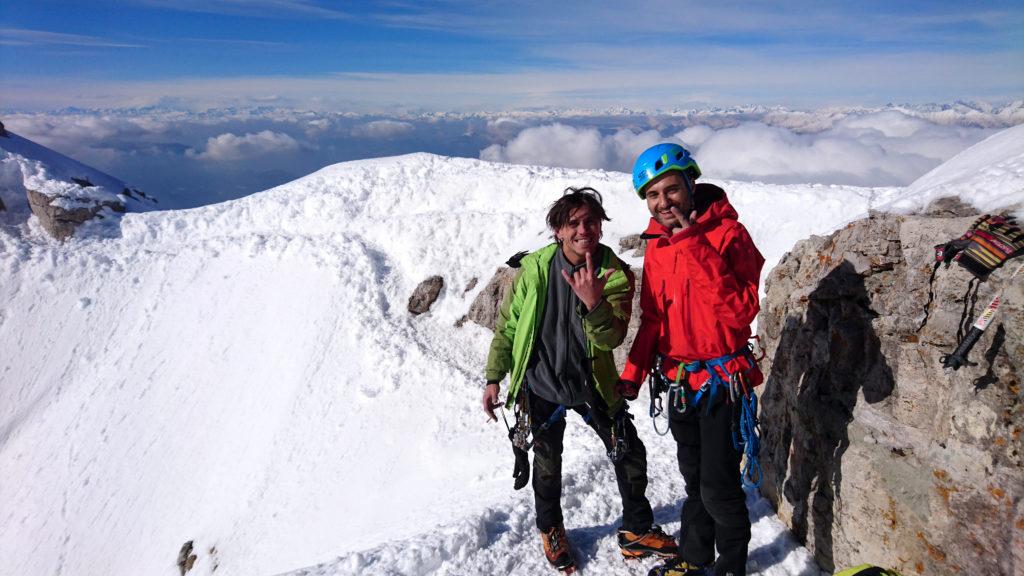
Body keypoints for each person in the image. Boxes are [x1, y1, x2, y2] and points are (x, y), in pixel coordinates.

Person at [482, 187, 677, 573]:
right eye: (573, 223)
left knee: (629, 452)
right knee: (548, 462)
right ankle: (550, 529)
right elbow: (507, 329)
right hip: (540, 383)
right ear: (557, 230)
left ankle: (637, 531)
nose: (583, 229)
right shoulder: (534, 270)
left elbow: (612, 337)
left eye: (590, 221)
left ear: (600, 228)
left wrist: (594, 303)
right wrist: (493, 378)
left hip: (592, 383)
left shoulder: (613, 274)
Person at [617, 144, 765, 576]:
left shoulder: (729, 236)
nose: (663, 202)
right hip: (680, 382)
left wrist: (692, 243)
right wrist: (634, 373)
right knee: (695, 481)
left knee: (720, 488)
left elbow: (740, 312)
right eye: (653, 195)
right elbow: (653, 319)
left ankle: (732, 567)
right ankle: (697, 556)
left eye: (671, 189)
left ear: (691, 184)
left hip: (722, 382)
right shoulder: (656, 245)